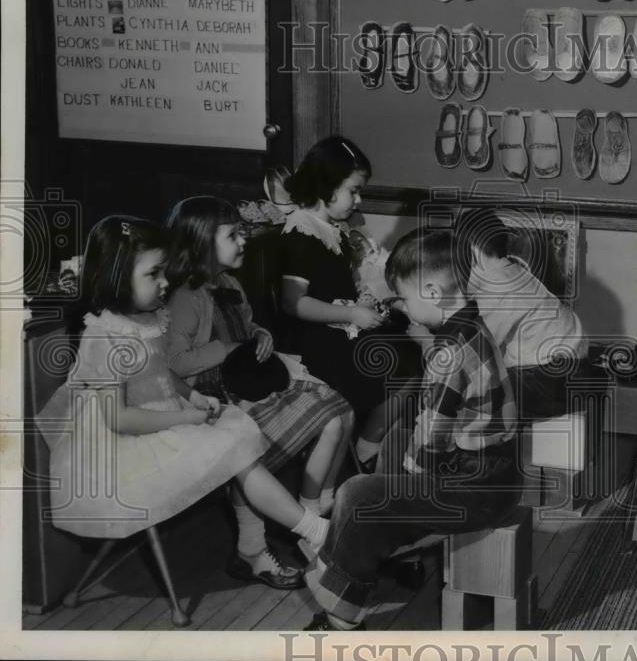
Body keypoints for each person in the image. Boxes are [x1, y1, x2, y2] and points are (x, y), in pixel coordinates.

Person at [37, 216, 330, 571]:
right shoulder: (104, 336)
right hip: (122, 448)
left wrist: (191, 396)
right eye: (153, 274)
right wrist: (185, 416)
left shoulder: (150, 316)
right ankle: (312, 531)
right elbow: (119, 418)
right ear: (114, 275)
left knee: (238, 442)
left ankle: (305, 533)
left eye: (164, 272)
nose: (164, 283)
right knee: (233, 448)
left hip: (165, 414)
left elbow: (162, 371)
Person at [301, 228, 522, 631]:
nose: (401, 306)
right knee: (398, 438)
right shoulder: (472, 328)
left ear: (434, 294)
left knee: (357, 494)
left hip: (476, 491)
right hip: (499, 474)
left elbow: (429, 447)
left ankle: (341, 619)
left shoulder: (447, 355)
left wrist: (395, 487)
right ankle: (393, 547)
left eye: (403, 297)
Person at [165, 196, 355, 588]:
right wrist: (232, 347)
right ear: (201, 242)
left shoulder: (229, 283)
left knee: (335, 409)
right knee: (251, 448)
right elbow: (178, 362)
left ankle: (308, 512)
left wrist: (259, 334)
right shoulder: (187, 295)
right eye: (232, 235)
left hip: (247, 380)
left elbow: (247, 327)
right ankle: (257, 547)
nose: (243, 241)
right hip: (212, 394)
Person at [277, 137, 419, 473]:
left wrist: (364, 300)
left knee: (413, 346)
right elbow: (294, 303)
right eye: (353, 191)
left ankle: (370, 445)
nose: (359, 200)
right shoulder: (300, 234)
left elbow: (336, 284)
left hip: (342, 329)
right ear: (326, 185)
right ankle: (366, 450)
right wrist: (352, 313)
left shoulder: (332, 229)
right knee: (403, 361)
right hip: (316, 342)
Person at [453, 207, 589, 419]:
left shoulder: (496, 286)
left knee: (470, 392)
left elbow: (478, 348)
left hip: (548, 380)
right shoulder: (516, 272)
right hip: (576, 365)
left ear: (472, 253)